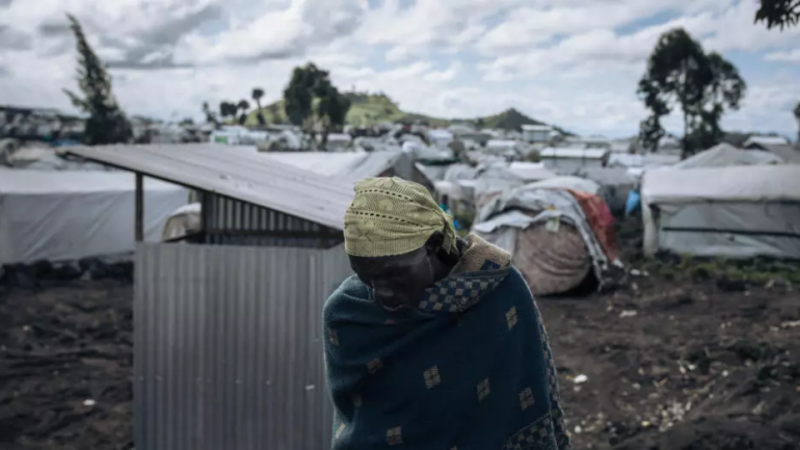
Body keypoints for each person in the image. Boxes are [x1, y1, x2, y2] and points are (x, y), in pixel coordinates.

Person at [323, 177, 570, 450]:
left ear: (432, 245)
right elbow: (364, 423)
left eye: (394, 275)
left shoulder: (499, 291)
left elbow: (526, 392)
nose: (382, 294)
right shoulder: (348, 314)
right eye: (366, 277)